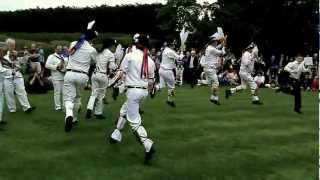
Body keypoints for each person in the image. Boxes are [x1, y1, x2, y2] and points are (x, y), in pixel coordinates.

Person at [109, 34, 156, 164]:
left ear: (136, 44)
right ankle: (116, 134)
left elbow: (120, 73)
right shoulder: (151, 61)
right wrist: (152, 91)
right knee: (124, 110)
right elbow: (152, 81)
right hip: (143, 92)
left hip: (133, 91)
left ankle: (147, 144)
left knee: (134, 121)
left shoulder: (130, 56)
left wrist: (112, 86)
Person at [63, 21, 98, 132]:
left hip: (70, 73)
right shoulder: (92, 50)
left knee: (69, 98)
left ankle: (69, 115)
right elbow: (94, 62)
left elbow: (72, 51)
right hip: (82, 75)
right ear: (92, 39)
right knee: (77, 97)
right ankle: (74, 119)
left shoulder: (74, 43)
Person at [85, 38, 117, 119]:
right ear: (111, 45)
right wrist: (116, 66)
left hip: (94, 75)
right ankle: (98, 113)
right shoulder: (110, 54)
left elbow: (93, 61)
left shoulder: (99, 51)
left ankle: (89, 108)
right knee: (101, 95)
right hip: (103, 76)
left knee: (94, 93)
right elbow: (112, 67)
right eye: (114, 45)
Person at [3, 38, 36, 113]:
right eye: (11, 45)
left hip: (18, 76)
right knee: (9, 93)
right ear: (7, 45)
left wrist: (25, 57)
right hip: (7, 77)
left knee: (22, 91)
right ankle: (12, 109)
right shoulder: (3, 54)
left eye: (14, 45)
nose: (13, 46)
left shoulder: (17, 53)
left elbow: (23, 62)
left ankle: (27, 107)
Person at [204, 30, 226, 105]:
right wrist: (224, 46)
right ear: (213, 42)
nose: (217, 42)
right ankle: (215, 99)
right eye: (216, 41)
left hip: (208, 68)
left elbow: (218, 47)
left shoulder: (209, 48)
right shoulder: (211, 49)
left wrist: (223, 43)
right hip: (210, 69)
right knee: (216, 83)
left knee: (212, 84)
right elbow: (222, 53)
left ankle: (213, 98)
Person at [159, 41, 183, 107]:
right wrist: (182, 52)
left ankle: (152, 89)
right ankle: (170, 100)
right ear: (171, 45)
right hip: (167, 71)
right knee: (172, 87)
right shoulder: (170, 51)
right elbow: (179, 58)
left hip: (161, 70)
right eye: (173, 45)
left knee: (161, 86)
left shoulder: (165, 50)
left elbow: (173, 57)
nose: (174, 46)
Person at [45, 45, 68, 111]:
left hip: (64, 76)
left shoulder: (64, 57)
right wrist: (56, 67)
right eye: (58, 49)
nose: (59, 50)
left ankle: (64, 106)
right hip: (56, 77)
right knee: (57, 92)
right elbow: (47, 65)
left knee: (64, 92)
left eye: (61, 49)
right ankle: (58, 107)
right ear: (55, 49)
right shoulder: (51, 56)